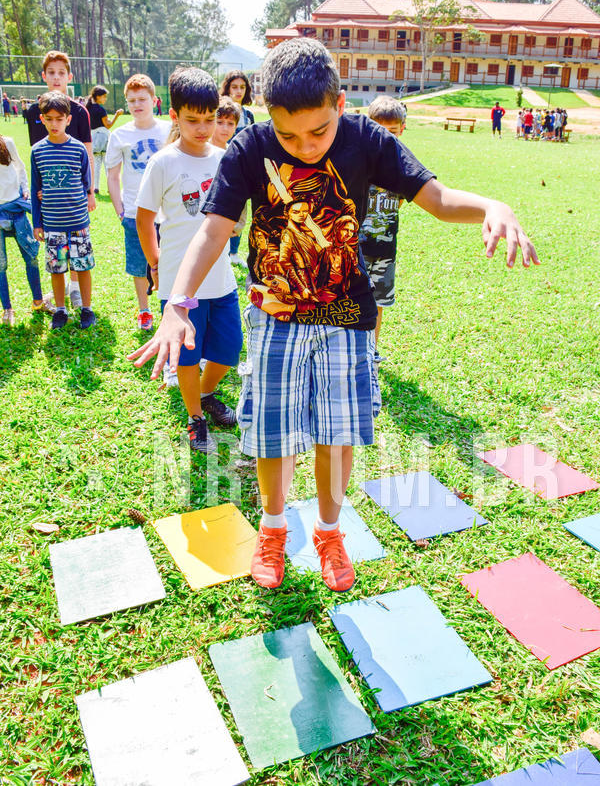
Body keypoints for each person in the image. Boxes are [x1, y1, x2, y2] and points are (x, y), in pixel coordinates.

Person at [129, 37, 539, 594]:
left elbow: (438, 201)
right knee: (273, 432)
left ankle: (328, 532)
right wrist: (177, 302)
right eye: (288, 134)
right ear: (267, 113)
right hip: (275, 312)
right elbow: (214, 229)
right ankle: (273, 529)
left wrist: (495, 205)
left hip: (348, 314)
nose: (303, 147)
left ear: (340, 105)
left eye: (318, 132)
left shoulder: (367, 140)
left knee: (335, 432)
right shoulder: (249, 147)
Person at [136, 67, 242, 452]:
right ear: (175, 115)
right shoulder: (164, 162)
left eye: (209, 119)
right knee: (186, 354)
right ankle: (195, 416)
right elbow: (144, 217)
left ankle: (205, 392)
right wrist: (154, 259)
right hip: (180, 282)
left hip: (222, 278)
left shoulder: (225, 158)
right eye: (192, 120)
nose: (202, 128)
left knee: (229, 349)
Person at [26, 51, 95, 311]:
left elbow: (85, 155)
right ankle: (60, 304)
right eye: (51, 73)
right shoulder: (35, 112)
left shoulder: (79, 112)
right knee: (57, 262)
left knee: (81, 259)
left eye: (61, 73)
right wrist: (44, 196)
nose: (56, 77)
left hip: (74, 204)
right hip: (52, 206)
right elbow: (37, 164)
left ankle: (78, 294)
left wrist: (89, 192)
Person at [105, 74, 171, 330]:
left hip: (167, 212)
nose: (137, 104)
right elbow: (112, 175)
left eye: (142, 99)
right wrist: (120, 211)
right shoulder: (119, 135)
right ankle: (144, 311)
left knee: (169, 261)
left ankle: (169, 308)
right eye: (131, 100)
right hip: (134, 212)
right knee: (138, 264)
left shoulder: (168, 129)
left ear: (154, 100)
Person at [359, 97, 407, 351]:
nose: (385, 138)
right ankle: (353, 349)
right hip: (355, 249)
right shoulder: (358, 163)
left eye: (392, 132)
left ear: (402, 129)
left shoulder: (402, 165)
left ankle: (372, 351)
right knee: (353, 301)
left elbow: (399, 203)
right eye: (379, 130)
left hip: (386, 252)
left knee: (379, 304)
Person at [0, 132, 54, 324]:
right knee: (1, 264)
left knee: (31, 257)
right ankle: (7, 309)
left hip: (16, 208)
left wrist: (24, 189)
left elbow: (21, 169)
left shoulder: (7, 142)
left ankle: (38, 301)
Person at [220, 70, 254, 266]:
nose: (238, 91)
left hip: (243, 169)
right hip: (224, 166)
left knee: (240, 212)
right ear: (227, 88)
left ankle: (233, 253)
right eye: (234, 87)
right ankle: (220, 250)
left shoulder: (248, 115)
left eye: (242, 87)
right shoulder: (220, 110)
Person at [86, 86, 123, 194]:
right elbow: (108, 125)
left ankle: (96, 187)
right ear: (98, 97)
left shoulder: (88, 108)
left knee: (96, 163)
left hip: (93, 137)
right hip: (103, 137)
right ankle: (109, 187)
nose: (105, 99)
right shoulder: (100, 110)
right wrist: (117, 115)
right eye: (104, 97)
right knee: (107, 163)